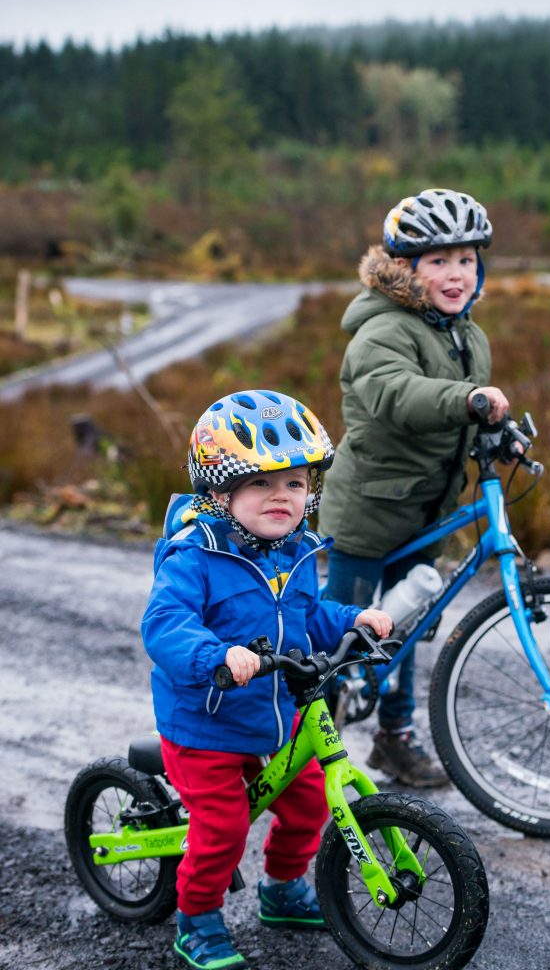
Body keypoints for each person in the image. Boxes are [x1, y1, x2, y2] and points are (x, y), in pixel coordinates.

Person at [141, 389, 392, 970]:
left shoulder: (295, 551)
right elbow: (165, 624)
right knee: (223, 829)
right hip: (207, 722)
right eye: (261, 483)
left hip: (280, 714)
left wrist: (352, 619)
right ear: (220, 492)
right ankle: (197, 918)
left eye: (296, 484)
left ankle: (282, 890)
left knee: (308, 804)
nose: (282, 496)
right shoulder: (194, 556)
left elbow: (309, 617)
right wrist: (215, 655)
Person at [318, 187, 510, 789]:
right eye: (439, 260)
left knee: (404, 632)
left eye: (467, 260)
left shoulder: (467, 335)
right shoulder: (381, 331)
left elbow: (458, 422)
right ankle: (304, 750)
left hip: (426, 510)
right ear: (405, 269)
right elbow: (396, 395)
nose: (457, 274)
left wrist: (497, 436)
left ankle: (393, 740)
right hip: (368, 513)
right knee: (342, 639)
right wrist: (468, 399)